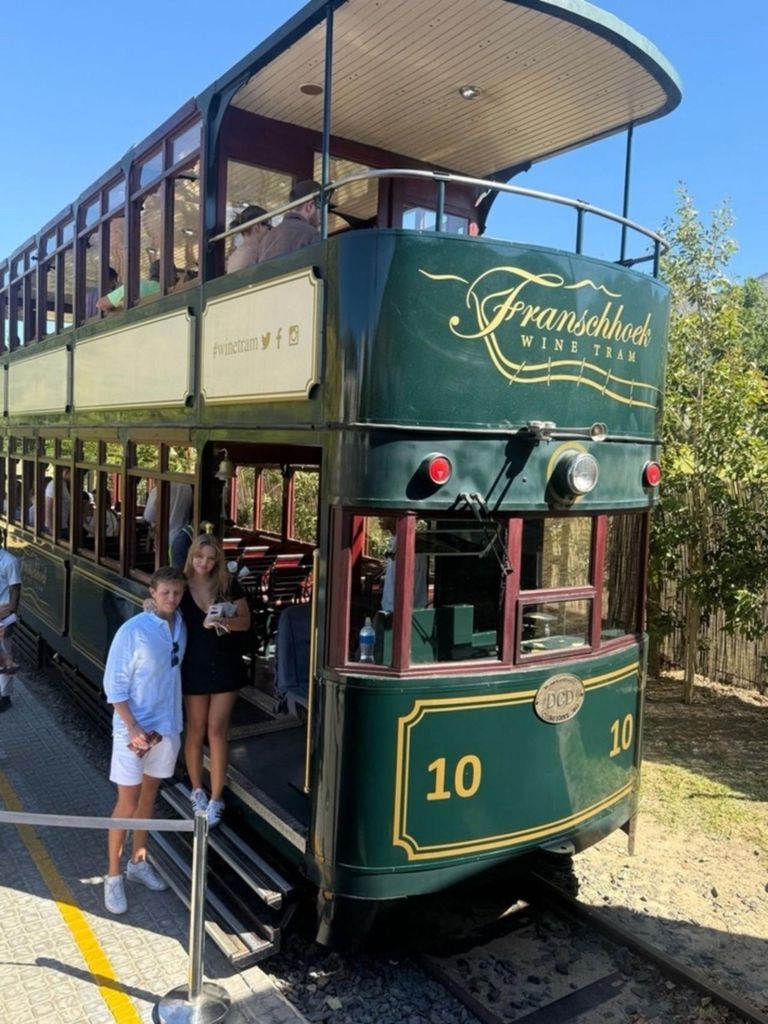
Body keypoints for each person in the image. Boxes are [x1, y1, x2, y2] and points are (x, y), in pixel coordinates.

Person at [102, 566, 187, 915]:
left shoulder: (181, 626)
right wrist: (132, 726)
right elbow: (114, 685)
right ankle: (112, 876)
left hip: (166, 728)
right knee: (126, 801)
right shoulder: (133, 631)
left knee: (149, 797)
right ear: (152, 593)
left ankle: (138, 862)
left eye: (176, 593)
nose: (171, 598)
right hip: (133, 731)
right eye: (165, 592)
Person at [180, 535, 251, 827]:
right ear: (192, 556)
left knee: (216, 729)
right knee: (195, 728)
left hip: (224, 662)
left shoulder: (228, 584)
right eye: (200, 557)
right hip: (193, 663)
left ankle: (216, 796)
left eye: (210, 558)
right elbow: (160, 601)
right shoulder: (181, 585)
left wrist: (220, 622)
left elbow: (245, 621)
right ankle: (197, 789)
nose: (204, 563)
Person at [257, 179, 321, 263]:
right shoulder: (311, 234)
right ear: (310, 206)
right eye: (322, 208)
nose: (324, 215)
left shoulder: (267, 238)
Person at [379, 517, 428, 614]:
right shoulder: (397, 542)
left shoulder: (408, 546)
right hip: (393, 611)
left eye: (384, 515)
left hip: (401, 614)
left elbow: (407, 584)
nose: (379, 518)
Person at [0, 546, 22, 709]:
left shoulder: (9, 561)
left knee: (5, 653)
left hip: (3, 612)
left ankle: (5, 696)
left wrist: (10, 618)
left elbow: (15, 590)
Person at [142, 482, 193, 548]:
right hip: (184, 533)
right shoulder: (187, 488)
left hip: (165, 536)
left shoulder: (157, 490)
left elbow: (148, 515)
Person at [226, 205, 271, 272]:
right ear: (257, 226)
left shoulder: (235, 254)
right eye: (269, 227)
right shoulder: (255, 253)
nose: (269, 231)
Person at [44, 468, 71, 538]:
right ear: (66, 472)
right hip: (57, 528)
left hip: (63, 525)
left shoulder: (64, 484)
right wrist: (51, 529)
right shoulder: (55, 485)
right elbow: (48, 508)